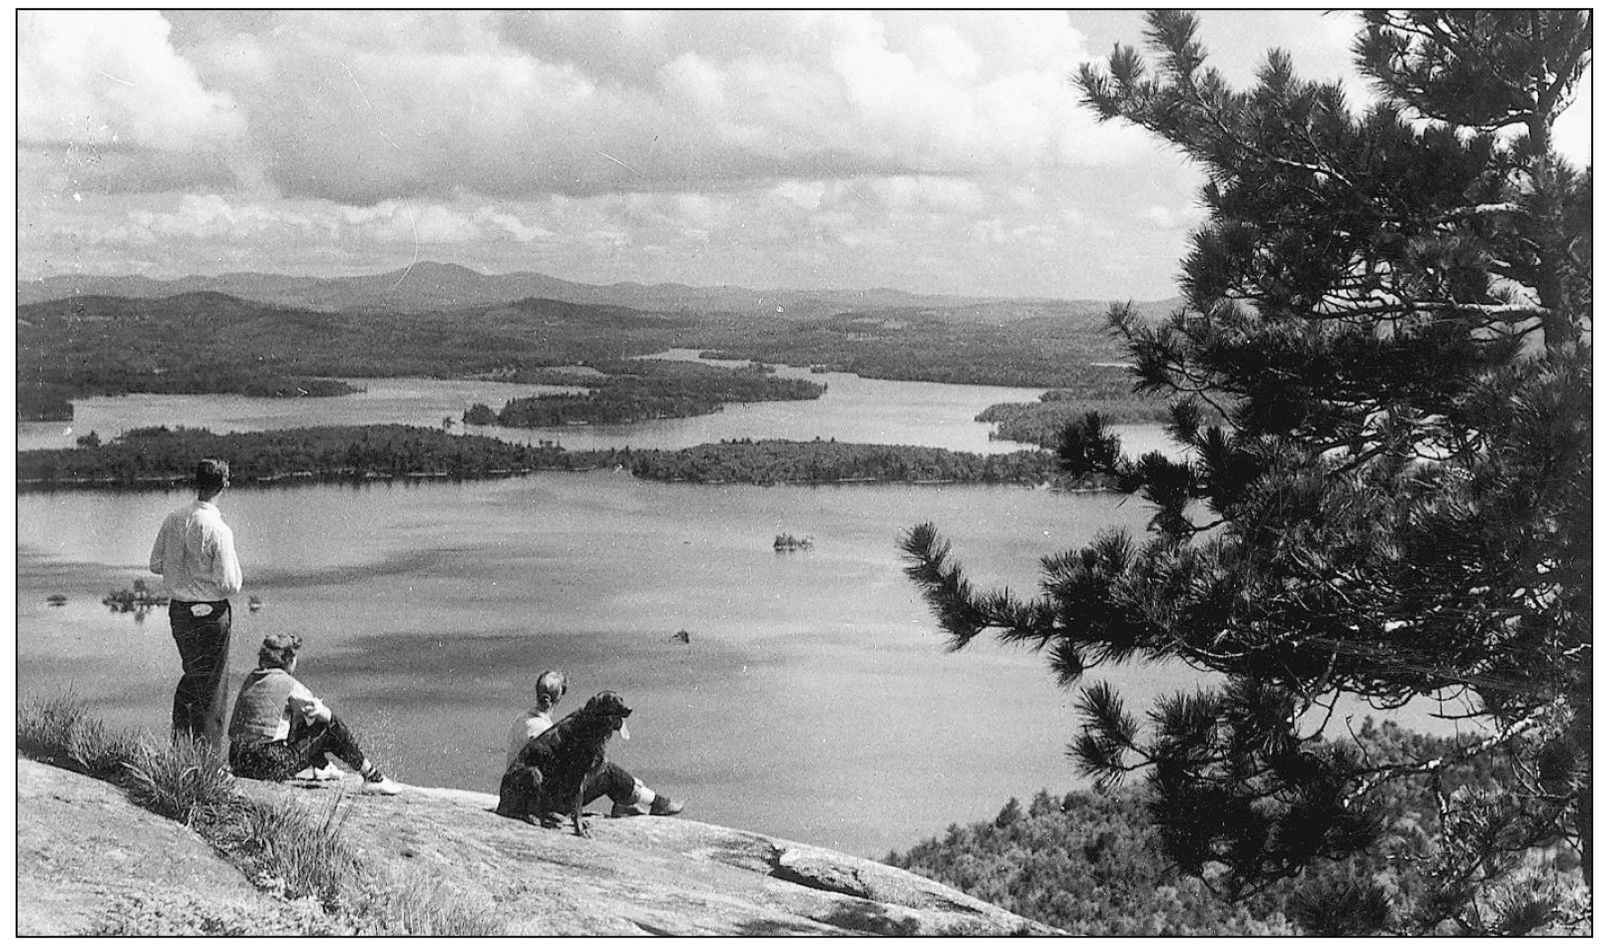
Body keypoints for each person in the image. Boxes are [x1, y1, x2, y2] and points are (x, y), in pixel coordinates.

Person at [228, 632, 402, 795]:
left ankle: (322, 766)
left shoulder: (252, 679)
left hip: (238, 759)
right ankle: (372, 777)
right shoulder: (288, 684)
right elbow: (324, 717)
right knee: (329, 727)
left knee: (294, 717)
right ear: (288, 660)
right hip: (269, 764)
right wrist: (323, 711)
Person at [149, 458, 244, 748]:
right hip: (211, 616)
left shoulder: (173, 518)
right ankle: (207, 761)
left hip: (180, 613)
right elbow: (230, 584)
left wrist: (182, 575)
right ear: (224, 485)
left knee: (192, 678)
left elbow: (155, 564)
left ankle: (181, 748)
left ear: (196, 482)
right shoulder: (219, 529)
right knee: (212, 689)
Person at [506, 669, 683, 817]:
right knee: (609, 772)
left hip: (524, 794)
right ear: (559, 698)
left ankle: (626, 801)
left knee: (606, 771)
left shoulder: (521, 719)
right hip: (545, 799)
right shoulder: (543, 731)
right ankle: (656, 803)